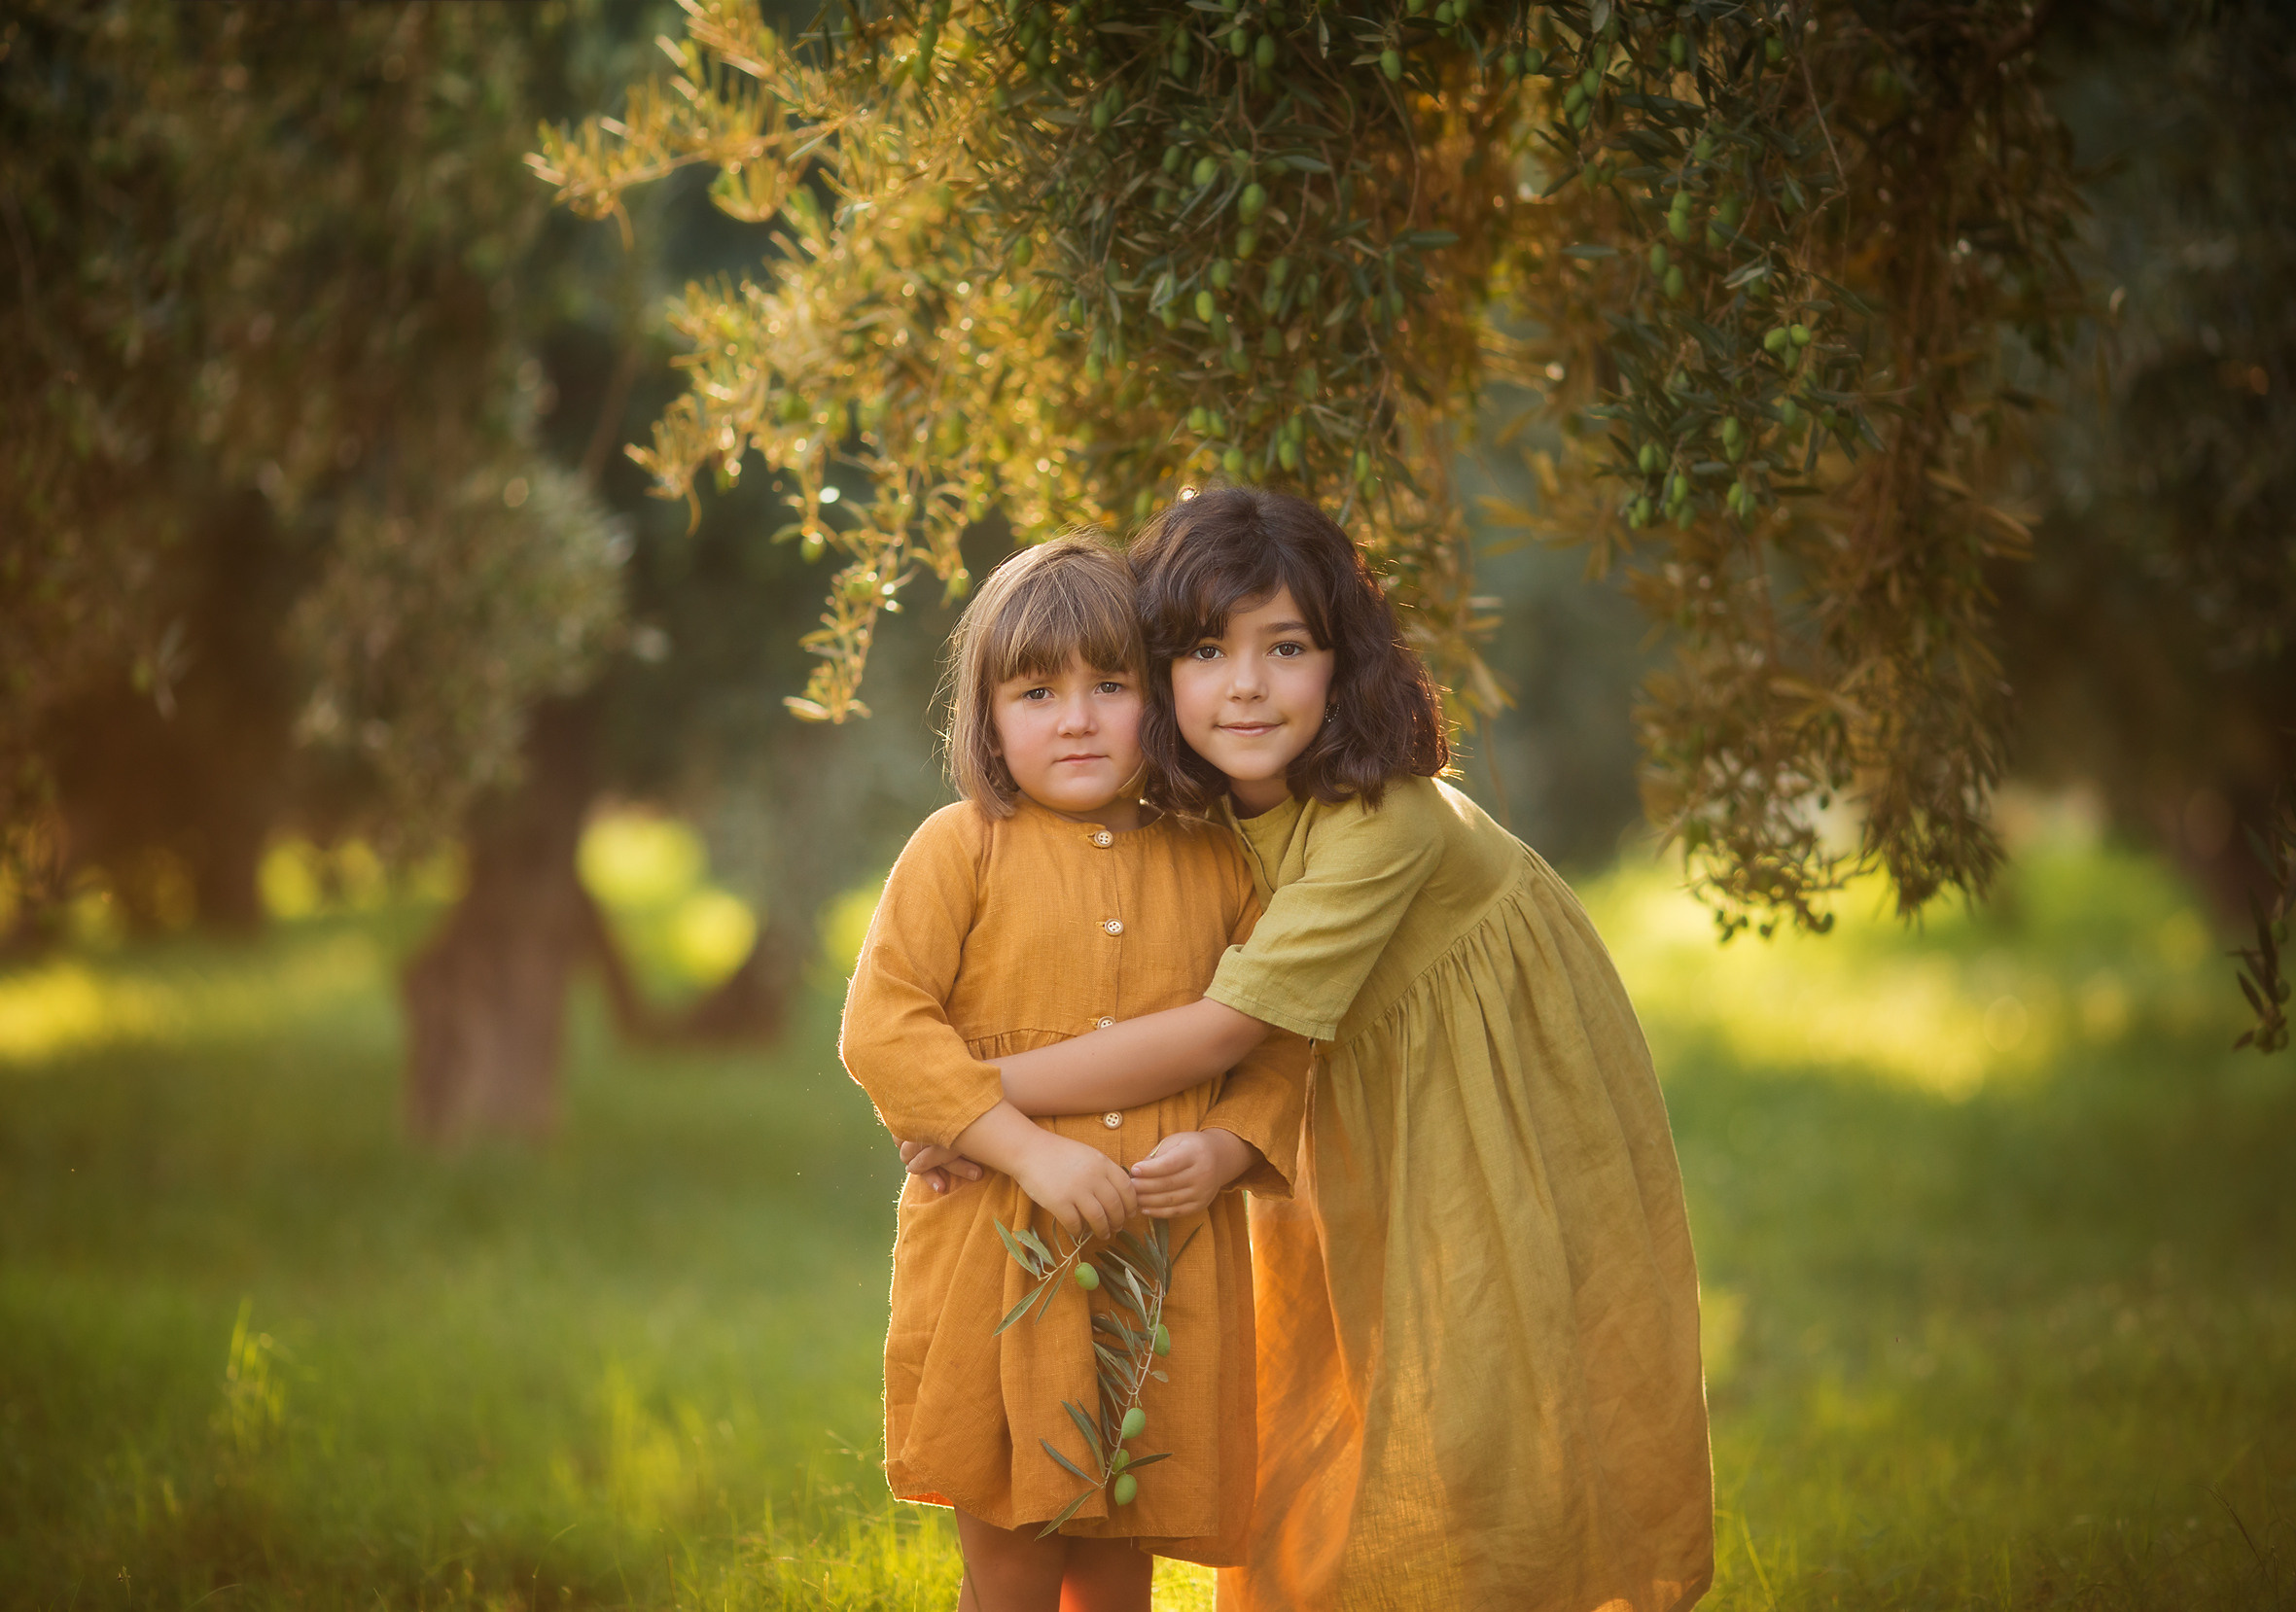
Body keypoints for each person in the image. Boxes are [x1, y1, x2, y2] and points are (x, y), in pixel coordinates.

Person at [908, 489, 1713, 1611]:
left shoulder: (1389, 818)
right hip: (1342, 1075)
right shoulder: (1192, 822)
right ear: (1158, 673)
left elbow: (1228, 1026)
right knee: (1329, 1371)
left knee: (1480, 1358)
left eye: (1286, 647)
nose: (1245, 686)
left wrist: (965, 1101)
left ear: (1345, 663)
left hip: (1487, 1079)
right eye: (1204, 650)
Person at [839, 535, 1309, 1612]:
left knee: (1117, 1559)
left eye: (1111, 684)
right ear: (989, 717)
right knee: (1009, 1557)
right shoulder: (960, 847)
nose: (1078, 717)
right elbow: (884, 1025)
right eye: (1038, 690)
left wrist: (1231, 1144)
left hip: (1163, 1261)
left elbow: (1281, 1037)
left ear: (1160, 697)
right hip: (997, 1258)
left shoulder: (1217, 858)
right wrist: (1023, 1147)